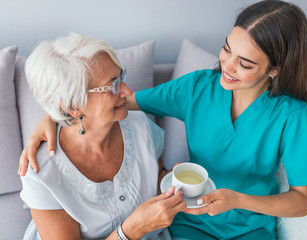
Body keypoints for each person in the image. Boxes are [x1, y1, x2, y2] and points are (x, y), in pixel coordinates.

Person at [19, 1, 307, 239]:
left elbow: (303, 201)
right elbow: (114, 102)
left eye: (245, 63)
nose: (227, 65)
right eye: (226, 49)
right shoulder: (196, 88)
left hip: (250, 227)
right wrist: (55, 117)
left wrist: (238, 200)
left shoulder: (293, 116)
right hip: (188, 221)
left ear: (274, 69)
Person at [19, 33, 185, 240]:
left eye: (121, 77)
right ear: (72, 105)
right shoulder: (40, 172)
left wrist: (170, 181)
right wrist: (132, 229)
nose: (127, 90)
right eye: (113, 85)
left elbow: (154, 176)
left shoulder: (140, 124)